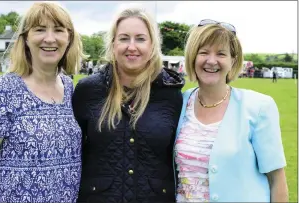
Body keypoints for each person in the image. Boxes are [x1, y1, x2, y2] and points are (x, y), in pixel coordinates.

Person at [0, 2, 84, 202]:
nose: (50, 38)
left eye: (58, 30)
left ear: (69, 38)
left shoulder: (71, 88)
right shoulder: (2, 90)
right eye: (39, 30)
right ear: (26, 39)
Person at [72, 7, 185, 203]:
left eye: (140, 39)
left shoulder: (171, 93)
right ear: (113, 43)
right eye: (124, 38)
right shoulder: (87, 90)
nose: (131, 47)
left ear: (152, 45)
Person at [174, 19, 288, 202]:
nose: (212, 61)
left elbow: (277, 179)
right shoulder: (179, 102)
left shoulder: (259, 107)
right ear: (192, 57)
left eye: (221, 53)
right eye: (203, 52)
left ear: (233, 60)